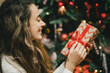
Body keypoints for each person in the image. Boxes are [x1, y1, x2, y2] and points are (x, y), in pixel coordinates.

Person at [0, 0, 92, 73]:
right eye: (38, 20)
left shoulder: (30, 50)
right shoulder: (10, 66)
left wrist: (70, 61)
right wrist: (70, 65)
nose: (43, 23)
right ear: (23, 25)